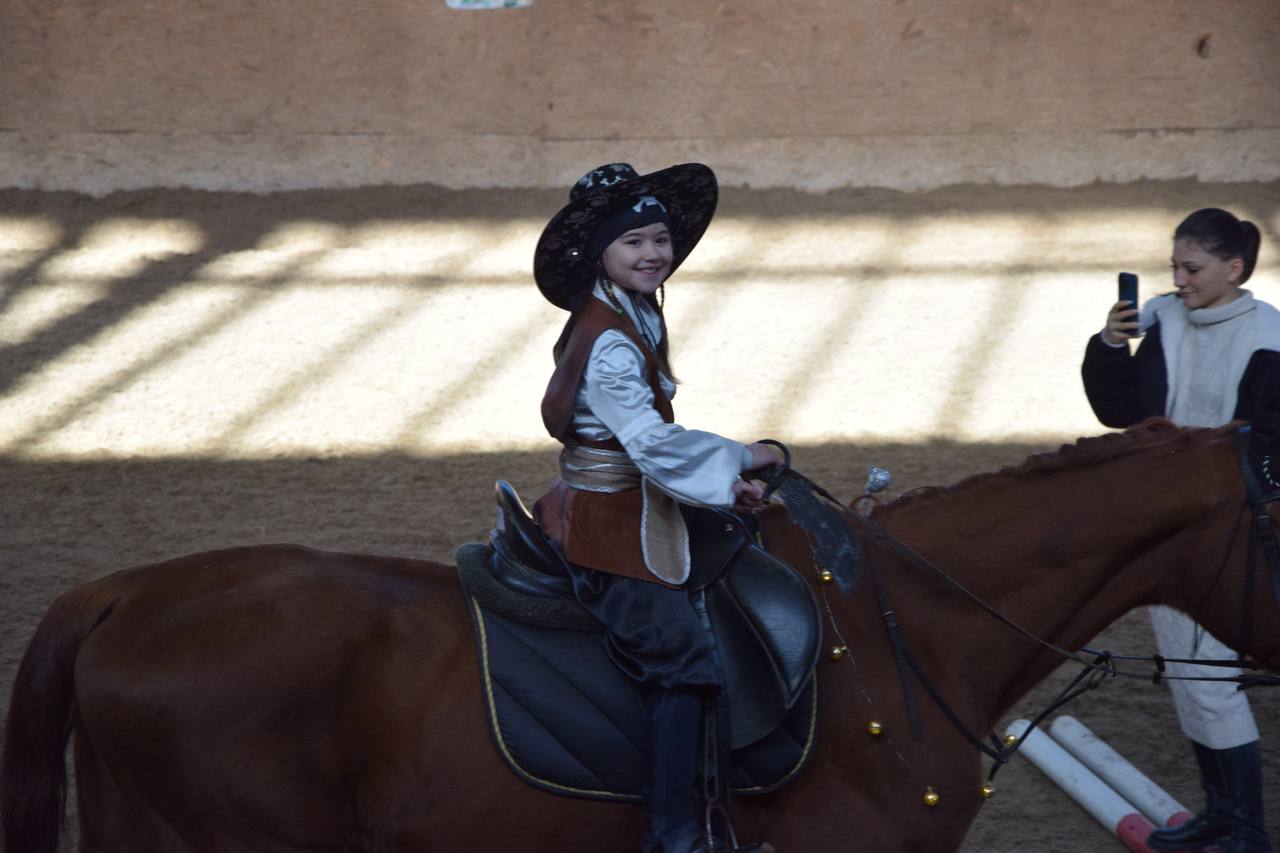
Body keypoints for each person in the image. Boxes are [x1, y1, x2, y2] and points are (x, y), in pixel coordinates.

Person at [529, 162, 778, 853]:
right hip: (608, 522)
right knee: (683, 658)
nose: (652, 254)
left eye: (660, 240)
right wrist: (742, 455)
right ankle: (673, 834)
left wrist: (723, 485)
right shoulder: (608, 340)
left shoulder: (631, 311)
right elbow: (648, 441)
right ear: (604, 253)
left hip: (632, 496)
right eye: (633, 241)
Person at [1081, 207, 1274, 853]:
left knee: (1209, 674)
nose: (1179, 279)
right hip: (1166, 522)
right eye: (1174, 267)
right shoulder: (1160, 316)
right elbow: (1119, 410)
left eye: (1191, 268)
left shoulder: (1269, 338)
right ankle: (1223, 816)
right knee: (1187, 671)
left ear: (1233, 268)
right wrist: (1110, 344)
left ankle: (1245, 828)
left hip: (1227, 530)